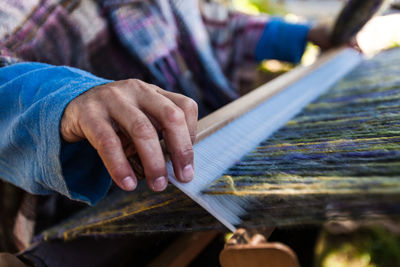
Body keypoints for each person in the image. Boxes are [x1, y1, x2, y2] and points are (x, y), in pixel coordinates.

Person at [0, 0, 335, 255]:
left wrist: (301, 35)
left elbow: (209, 26)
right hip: (111, 226)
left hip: (205, 172)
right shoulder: (23, 12)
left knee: (300, 203)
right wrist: (71, 100)